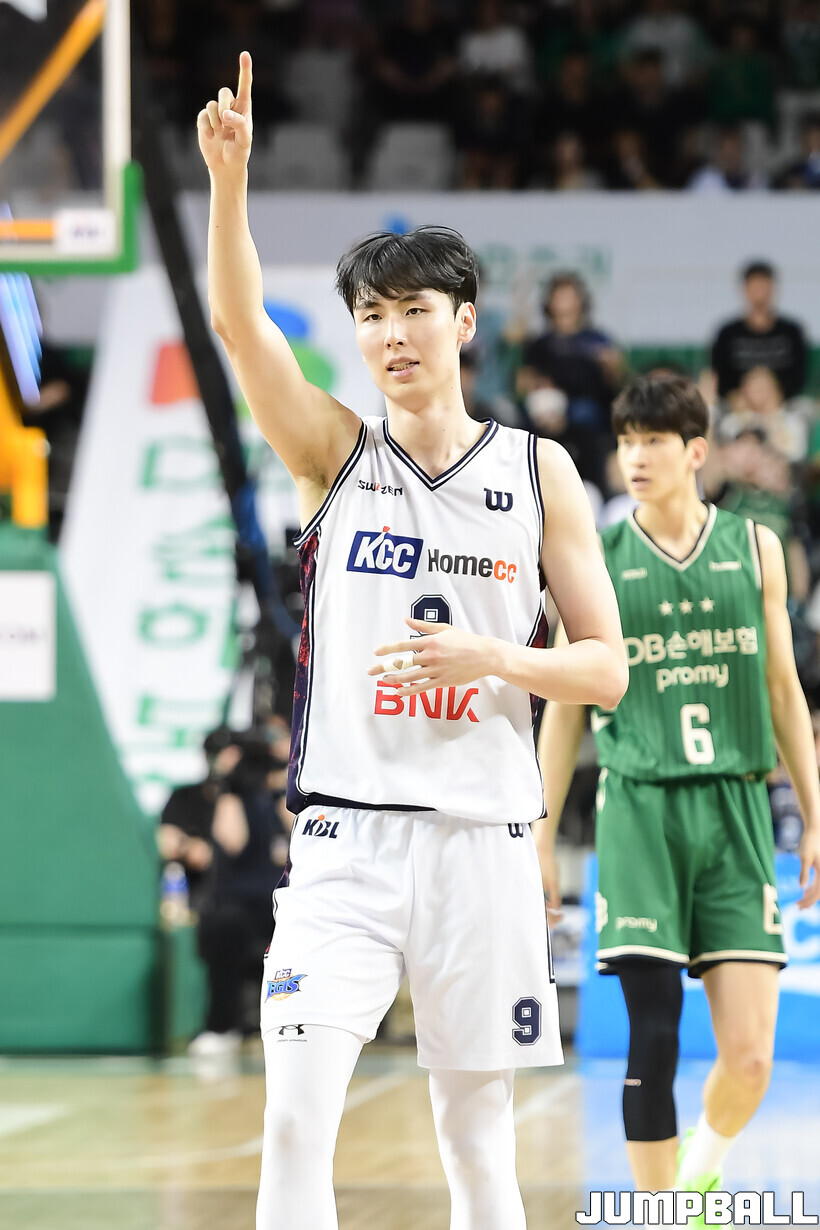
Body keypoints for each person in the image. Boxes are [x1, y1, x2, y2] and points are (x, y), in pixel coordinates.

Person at [198, 52, 628, 1230]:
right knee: (295, 1123)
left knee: (477, 1147)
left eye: (413, 312)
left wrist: (497, 660)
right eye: (371, 317)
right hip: (345, 842)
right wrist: (229, 185)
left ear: (464, 321)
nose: (391, 334)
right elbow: (239, 326)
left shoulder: (537, 472)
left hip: (483, 844)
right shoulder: (333, 454)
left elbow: (606, 667)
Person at [534, 375, 820, 1211]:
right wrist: (542, 835)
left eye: (653, 441)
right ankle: (662, 1216)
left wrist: (814, 813)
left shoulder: (755, 547)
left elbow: (782, 690)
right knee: (653, 1037)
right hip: (640, 810)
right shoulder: (594, 559)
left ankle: (702, 1165)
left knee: (751, 1058)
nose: (636, 457)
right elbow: (564, 711)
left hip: (735, 808)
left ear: (696, 451)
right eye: (626, 442)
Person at [710, 260, 809, 401]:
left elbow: (799, 377)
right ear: (745, 289)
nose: (759, 291)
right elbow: (720, 377)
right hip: (737, 407)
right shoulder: (727, 334)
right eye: (755, 285)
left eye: (763, 285)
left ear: (772, 288)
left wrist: (774, 399)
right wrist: (740, 399)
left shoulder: (792, 332)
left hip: (784, 405)